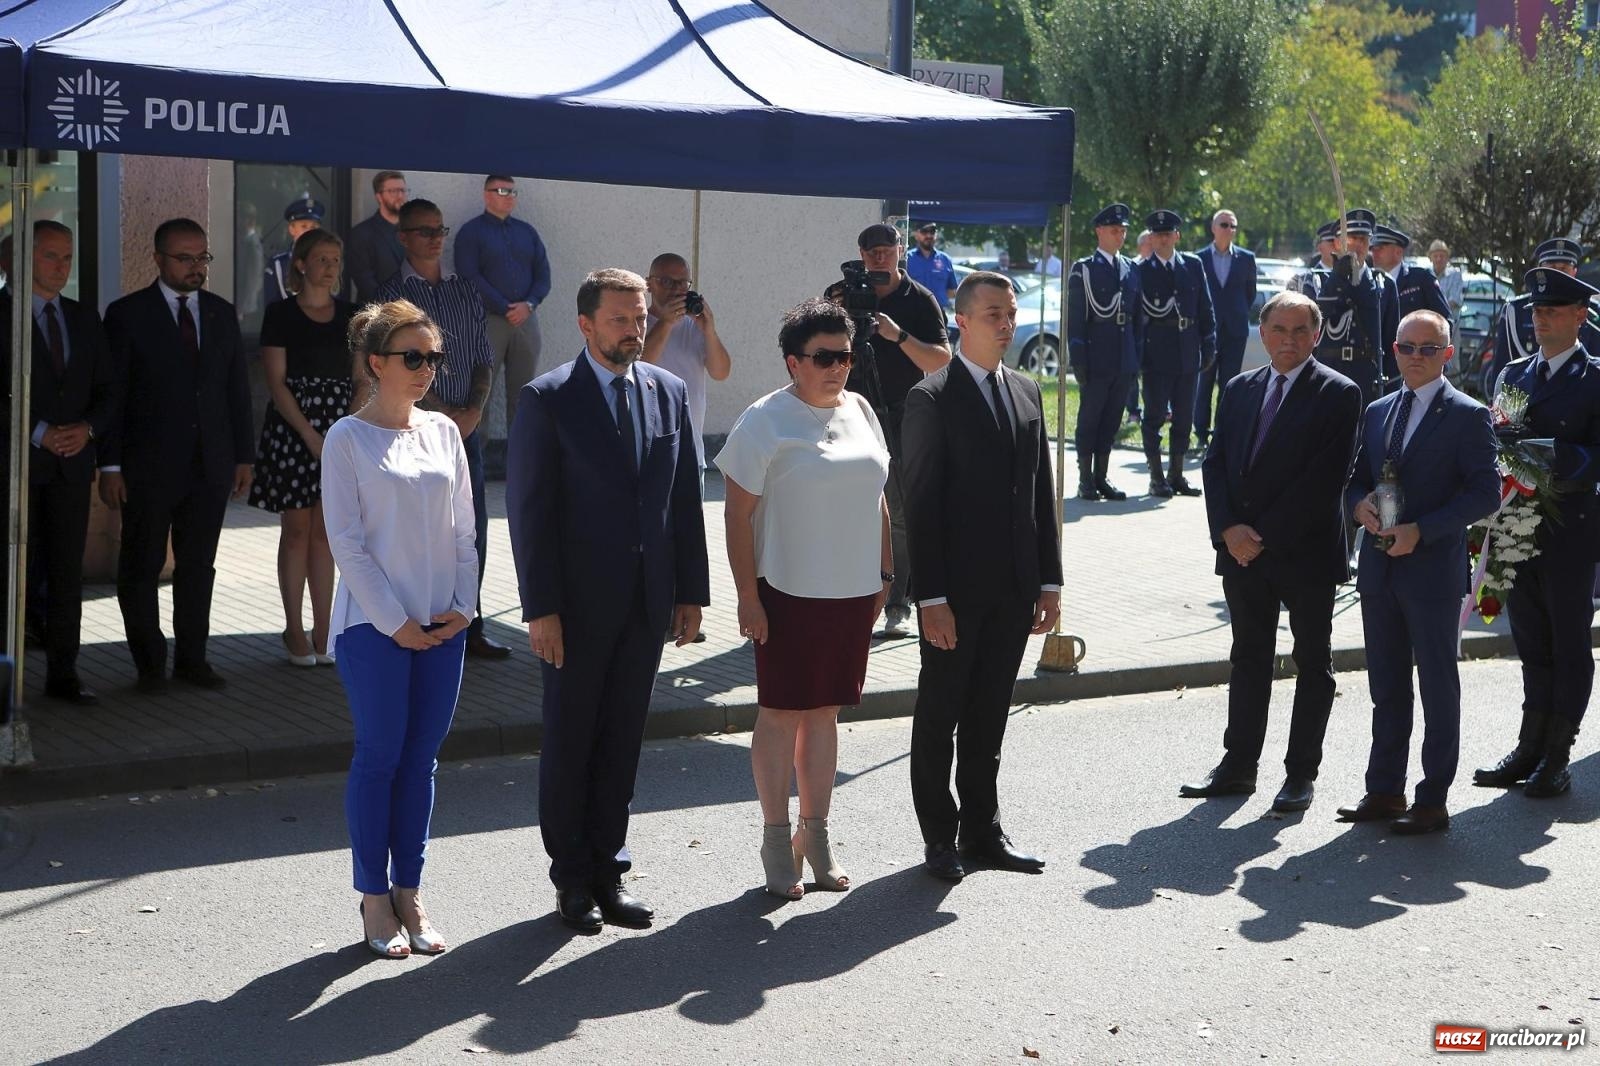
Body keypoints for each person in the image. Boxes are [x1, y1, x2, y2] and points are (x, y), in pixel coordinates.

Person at [505, 268, 709, 932]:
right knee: (572, 742)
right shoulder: (548, 398)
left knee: (622, 742)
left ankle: (609, 871)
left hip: (647, 603)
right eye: (620, 318)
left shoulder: (668, 391)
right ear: (586, 324)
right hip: (574, 608)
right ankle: (572, 879)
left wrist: (690, 593)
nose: (634, 329)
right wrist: (540, 609)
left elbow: (683, 499)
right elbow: (530, 514)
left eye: (641, 317)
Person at [715, 299, 890, 899]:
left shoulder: (861, 409)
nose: (838, 367)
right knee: (782, 712)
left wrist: (885, 573)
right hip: (786, 591)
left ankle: (815, 835)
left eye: (846, 356)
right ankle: (774, 837)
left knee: (825, 713)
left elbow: (878, 495)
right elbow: (737, 517)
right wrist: (747, 596)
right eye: (824, 357)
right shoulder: (764, 420)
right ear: (794, 362)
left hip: (852, 590)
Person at [323, 299, 474, 959]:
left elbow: (466, 529)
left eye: (433, 357)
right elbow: (347, 544)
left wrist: (464, 606)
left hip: (444, 624)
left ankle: (410, 891)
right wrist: (396, 622)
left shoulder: (443, 432)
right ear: (375, 362)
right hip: (373, 627)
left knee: (421, 760)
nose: (426, 368)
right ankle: (373, 896)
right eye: (412, 356)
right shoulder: (346, 439)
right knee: (380, 756)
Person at [902, 271, 1062, 883]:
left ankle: (983, 830)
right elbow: (921, 506)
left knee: (990, 714)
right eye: (994, 313)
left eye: (1011, 312)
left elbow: (1040, 492)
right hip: (954, 593)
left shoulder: (1025, 389)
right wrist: (931, 597)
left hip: (1014, 589)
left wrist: (1049, 582)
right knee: (940, 714)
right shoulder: (931, 397)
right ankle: (939, 838)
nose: (1007, 323)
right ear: (961, 321)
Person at [1183, 291, 1362, 812]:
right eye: (1279, 330)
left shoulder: (1339, 393)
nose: (1289, 340)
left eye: (1300, 330)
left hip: (1304, 553)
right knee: (1248, 657)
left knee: (1313, 662)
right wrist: (1228, 530)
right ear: (1262, 334)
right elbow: (1215, 463)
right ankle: (1239, 765)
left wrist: (1256, 539)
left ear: (1317, 335)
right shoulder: (1240, 388)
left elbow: (1325, 481)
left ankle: (1300, 774)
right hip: (1241, 552)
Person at [1337, 310, 1500, 834]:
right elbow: (1355, 479)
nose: (1416, 357)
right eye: (1407, 347)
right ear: (1395, 350)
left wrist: (1422, 531)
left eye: (1428, 348)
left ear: (1447, 354)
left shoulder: (1468, 415)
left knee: (1437, 686)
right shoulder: (1378, 410)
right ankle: (1385, 790)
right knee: (1386, 686)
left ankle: (1432, 800)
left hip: (1431, 573)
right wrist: (1358, 506)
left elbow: (1486, 493)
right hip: (1378, 571)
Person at [100, 219, 254, 692]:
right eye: (185, 258)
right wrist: (110, 465)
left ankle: (193, 659)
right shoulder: (128, 314)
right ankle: (150, 665)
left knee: (198, 566)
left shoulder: (221, 313)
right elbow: (113, 396)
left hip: (210, 464)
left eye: (202, 257)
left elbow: (236, 390)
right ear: (158, 259)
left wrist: (243, 457)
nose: (195, 267)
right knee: (142, 564)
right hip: (147, 465)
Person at [1474, 269, 1600, 798]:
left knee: (1568, 641)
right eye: (1537, 312)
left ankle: (1558, 753)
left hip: (1570, 525)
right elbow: (1497, 439)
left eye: (1553, 311)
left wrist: (1555, 456)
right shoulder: (1515, 375)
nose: (1541, 320)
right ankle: (1530, 745)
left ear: (1580, 317)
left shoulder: (1594, 378)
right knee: (1529, 639)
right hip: (1517, 524)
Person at [376, 199, 508, 661]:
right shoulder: (392, 296)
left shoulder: (465, 290)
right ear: (403, 237)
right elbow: (398, 367)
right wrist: (444, 413)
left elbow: (483, 359)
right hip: (412, 430)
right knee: (422, 526)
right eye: (424, 230)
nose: (435, 238)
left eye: (439, 229)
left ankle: (470, 623)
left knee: (471, 528)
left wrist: (472, 411)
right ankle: (421, 620)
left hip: (466, 431)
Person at [12, 221, 113, 705]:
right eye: (51, 255)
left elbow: (109, 389)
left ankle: (64, 673)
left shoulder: (83, 317)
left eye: (67, 257)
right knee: (13, 573)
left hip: (71, 468)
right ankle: (8, 679)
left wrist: (88, 429)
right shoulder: (7, 313)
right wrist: (39, 432)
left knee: (67, 573)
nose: (61, 266)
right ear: (25, 257)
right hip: (17, 467)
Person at [248, 229, 356, 665]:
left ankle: (324, 628)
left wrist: (343, 430)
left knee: (326, 533)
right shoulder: (280, 313)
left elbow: (361, 378)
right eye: (322, 259)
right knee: (296, 531)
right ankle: (293, 628)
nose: (330, 268)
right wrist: (311, 436)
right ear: (301, 263)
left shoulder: (351, 315)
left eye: (335, 260)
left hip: (339, 428)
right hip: (294, 429)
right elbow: (276, 382)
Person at [839, 223, 951, 640]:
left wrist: (897, 335)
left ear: (900, 250)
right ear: (861, 254)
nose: (879, 258)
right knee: (847, 508)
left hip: (901, 416)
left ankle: (898, 603)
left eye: (886, 250)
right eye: (871, 252)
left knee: (899, 513)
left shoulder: (918, 299)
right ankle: (847, 596)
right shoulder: (845, 295)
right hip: (848, 414)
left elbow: (942, 359)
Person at [453, 174, 551, 434]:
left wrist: (529, 304)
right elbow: (469, 276)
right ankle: (476, 452)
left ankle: (520, 452)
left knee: (524, 392)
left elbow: (543, 275)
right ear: (487, 195)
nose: (510, 197)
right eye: (503, 191)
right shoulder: (471, 232)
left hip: (526, 320)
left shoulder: (527, 232)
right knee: (480, 391)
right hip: (489, 320)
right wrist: (504, 307)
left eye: (513, 192)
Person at [1136, 210, 1216, 498]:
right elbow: (1136, 317)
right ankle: (1156, 477)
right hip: (1156, 354)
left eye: (1167, 234)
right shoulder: (1142, 271)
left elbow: (1205, 308)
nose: (1163, 239)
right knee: (1154, 416)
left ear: (1177, 236)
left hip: (1187, 351)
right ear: (1151, 238)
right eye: (1158, 235)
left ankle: (1176, 474)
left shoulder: (1192, 265)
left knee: (1184, 417)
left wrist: (1209, 344)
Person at [642, 251, 732, 497]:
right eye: (666, 282)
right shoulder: (639, 324)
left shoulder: (695, 327)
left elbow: (721, 372)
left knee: (690, 522)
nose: (675, 290)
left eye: (682, 283)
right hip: (649, 454)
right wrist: (666, 323)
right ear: (649, 285)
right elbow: (639, 366)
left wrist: (709, 330)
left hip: (691, 454)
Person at [1067, 202, 1140, 500]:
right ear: (1099, 231)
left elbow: (1137, 318)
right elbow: (1076, 318)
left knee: (1111, 419)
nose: (1120, 235)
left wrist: (1136, 357)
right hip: (1096, 356)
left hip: (1123, 357)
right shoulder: (1084, 269)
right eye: (1114, 230)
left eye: (1123, 231)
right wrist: (1078, 358)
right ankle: (1085, 479)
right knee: (1090, 419)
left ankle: (1102, 476)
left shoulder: (1131, 268)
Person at [1480, 239, 1600, 396]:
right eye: (1552, 268)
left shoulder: (1593, 312)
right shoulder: (1515, 310)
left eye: (1563, 269)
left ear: (1574, 271)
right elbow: (1504, 365)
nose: (1540, 318)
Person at [1301, 209, 1398, 403]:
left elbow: (1391, 339)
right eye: (1352, 238)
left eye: (1364, 239)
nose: (1358, 245)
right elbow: (1312, 323)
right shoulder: (1317, 281)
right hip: (1328, 372)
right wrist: (1338, 278)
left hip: (1367, 376)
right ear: (1337, 243)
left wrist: (1392, 389)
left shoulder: (1383, 283)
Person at [1194, 209, 1258, 451]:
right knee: (1205, 383)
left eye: (1233, 226)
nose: (1229, 230)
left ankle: (1221, 433)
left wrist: (1236, 313)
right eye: (1224, 225)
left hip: (1235, 331)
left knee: (1229, 384)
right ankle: (1201, 433)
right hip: (1207, 331)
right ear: (1213, 228)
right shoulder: (1199, 258)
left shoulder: (1246, 258)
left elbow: (1249, 294)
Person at [1370, 225, 1451, 383]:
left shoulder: (1420, 278)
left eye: (1380, 248)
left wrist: (1437, 357)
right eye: (1373, 249)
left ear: (1398, 252)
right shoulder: (1372, 282)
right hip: (1384, 368)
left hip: (1420, 363)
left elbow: (1444, 320)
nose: (1374, 253)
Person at [346, 171, 408, 306]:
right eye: (393, 191)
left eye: (403, 190)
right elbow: (365, 281)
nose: (400, 196)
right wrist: (398, 309)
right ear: (379, 196)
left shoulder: (414, 231)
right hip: (377, 313)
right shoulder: (361, 234)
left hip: (414, 313)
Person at [263, 197, 324, 306]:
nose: (309, 231)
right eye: (304, 226)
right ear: (292, 229)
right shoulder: (277, 264)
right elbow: (271, 307)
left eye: (314, 227)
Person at [906, 222, 957, 311]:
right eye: (924, 232)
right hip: (913, 311)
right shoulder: (907, 258)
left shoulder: (945, 259)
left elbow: (952, 291)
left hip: (939, 311)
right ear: (916, 235)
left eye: (932, 232)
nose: (929, 235)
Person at [1427, 240, 1464, 320]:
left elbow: (1454, 300)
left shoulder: (1455, 275)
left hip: (1450, 322)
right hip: (1429, 322)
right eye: (1435, 256)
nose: (1439, 259)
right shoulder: (1426, 275)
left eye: (1442, 256)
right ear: (1430, 258)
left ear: (1447, 258)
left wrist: (1434, 312)